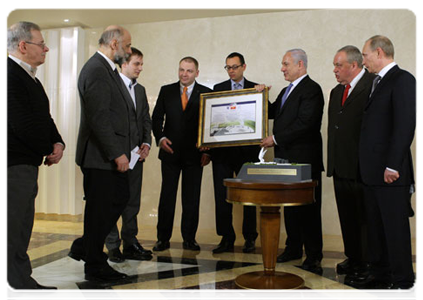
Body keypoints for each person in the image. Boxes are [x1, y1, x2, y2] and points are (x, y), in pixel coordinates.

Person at [68, 25, 134, 282]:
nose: (128, 51)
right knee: (102, 208)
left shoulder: (107, 69)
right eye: (127, 46)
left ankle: (86, 246)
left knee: (118, 198)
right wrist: (117, 154)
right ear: (115, 43)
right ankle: (94, 264)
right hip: (99, 157)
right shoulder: (96, 69)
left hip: (105, 156)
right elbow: (99, 119)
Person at [5, 21, 65, 299]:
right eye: (41, 44)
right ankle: (13, 283)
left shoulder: (30, 78)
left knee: (22, 224)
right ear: (23, 46)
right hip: (13, 164)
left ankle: (19, 279)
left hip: (27, 163)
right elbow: (21, 123)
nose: (46, 48)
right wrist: (46, 147)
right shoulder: (9, 76)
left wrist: (58, 141)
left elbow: (44, 118)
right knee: (14, 226)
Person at [358, 35, 418, 300]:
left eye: (365, 56)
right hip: (372, 173)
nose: (363, 61)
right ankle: (381, 276)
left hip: (390, 173)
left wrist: (393, 165)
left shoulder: (403, 80)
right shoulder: (375, 82)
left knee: (395, 231)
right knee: (376, 229)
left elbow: (405, 126)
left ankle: (404, 283)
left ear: (379, 52)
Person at [261, 49, 324, 273]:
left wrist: (274, 138)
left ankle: (314, 254)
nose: (282, 68)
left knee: (309, 208)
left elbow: (306, 123)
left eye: (286, 64)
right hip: (285, 159)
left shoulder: (312, 90)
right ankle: (293, 247)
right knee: (290, 206)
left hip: (305, 161)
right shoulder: (287, 90)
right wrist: (259, 96)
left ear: (300, 65)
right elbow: (270, 111)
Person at [151, 56, 212, 252]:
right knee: (167, 197)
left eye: (189, 71)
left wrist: (208, 150)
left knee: (191, 199)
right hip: (170, 153)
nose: (184, 74)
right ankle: (162, 238)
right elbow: (156, 119)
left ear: (197, 73)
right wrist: (160, 139)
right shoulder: (166, 91)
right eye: (181, 70)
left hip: (195, 156)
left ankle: (189, 239)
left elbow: (211, 125)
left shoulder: (206, 93)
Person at [327, 45, 374, 277]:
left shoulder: (371, 86)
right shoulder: (336, 92)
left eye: (339, 65)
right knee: (346, 216)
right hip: (339, 166)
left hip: (360, 167)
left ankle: (366, 262)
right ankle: (353, 257)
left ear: (354, 65)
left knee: (363, 219)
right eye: (335, 65)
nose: (334, 70)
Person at [105, 47, 153, 263]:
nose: (141, 68)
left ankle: (130, 242)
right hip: (115, 157)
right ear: (123, 64)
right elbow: (104, 122)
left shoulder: (140, 90)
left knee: (132, 202)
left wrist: (146, 143)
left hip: (136, 156)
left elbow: (145, 119)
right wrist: (116, 153)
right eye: (137, 64)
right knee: (113, 202)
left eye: (142, 64)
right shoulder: (111, 86)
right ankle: (113, 246)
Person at [211, 52, 259, 254]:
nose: (231, 71)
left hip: (247, 153)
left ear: (244, 67)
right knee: (222, 196)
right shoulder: (218, 89)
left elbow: (262, 116)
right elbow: (212, 119)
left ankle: (249, 238)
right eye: (228, 67)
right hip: (222, 153)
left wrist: (262, 95)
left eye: (235, 67)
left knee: (249, 197)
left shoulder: (256, 89)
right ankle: (226, 238)